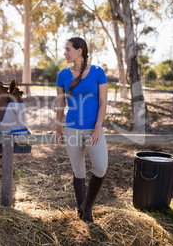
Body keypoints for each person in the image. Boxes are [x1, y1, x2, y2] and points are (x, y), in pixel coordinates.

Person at [55, 37, 108, 223]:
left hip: (94, 130)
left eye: (68, 49)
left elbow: (103, 103)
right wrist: (58, 127)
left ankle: (88, 205)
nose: (65, 53)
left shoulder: (98, 72)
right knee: (79, 171)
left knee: (100, 168)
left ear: (79, 51)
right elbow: (60, 103)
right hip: (71, 129)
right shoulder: (62, 75)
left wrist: (97, 129)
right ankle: (83, 211)